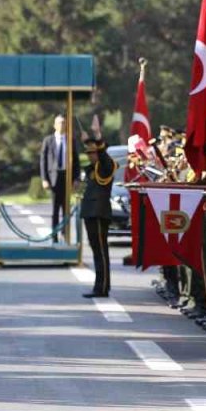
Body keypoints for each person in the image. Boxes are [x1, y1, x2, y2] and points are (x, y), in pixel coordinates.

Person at [80, 123, 115, 298]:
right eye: (88, 153)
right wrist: (87, 140)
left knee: (101, 251)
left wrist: (98, 136)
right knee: (96, 251)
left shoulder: (106, 166)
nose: (90, 156)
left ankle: (103, 287)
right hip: (90, 212)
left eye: (92, 153)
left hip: (99, 213)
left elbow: (104, 158)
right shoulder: (91, 169)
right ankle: (99, 286)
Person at [40, 115, 70, 243]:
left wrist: (76, 178)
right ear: (54, 125)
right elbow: (43, 161)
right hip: (53, 179)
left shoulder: (70, 140)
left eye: (63, 123)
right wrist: (44, 179)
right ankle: (54, 236)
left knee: (66, 210)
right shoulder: (48, 140)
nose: (62, 125)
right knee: (55, 210)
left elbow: (75, 161)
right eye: (59, 123)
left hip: (66, 178)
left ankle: (65, 234)